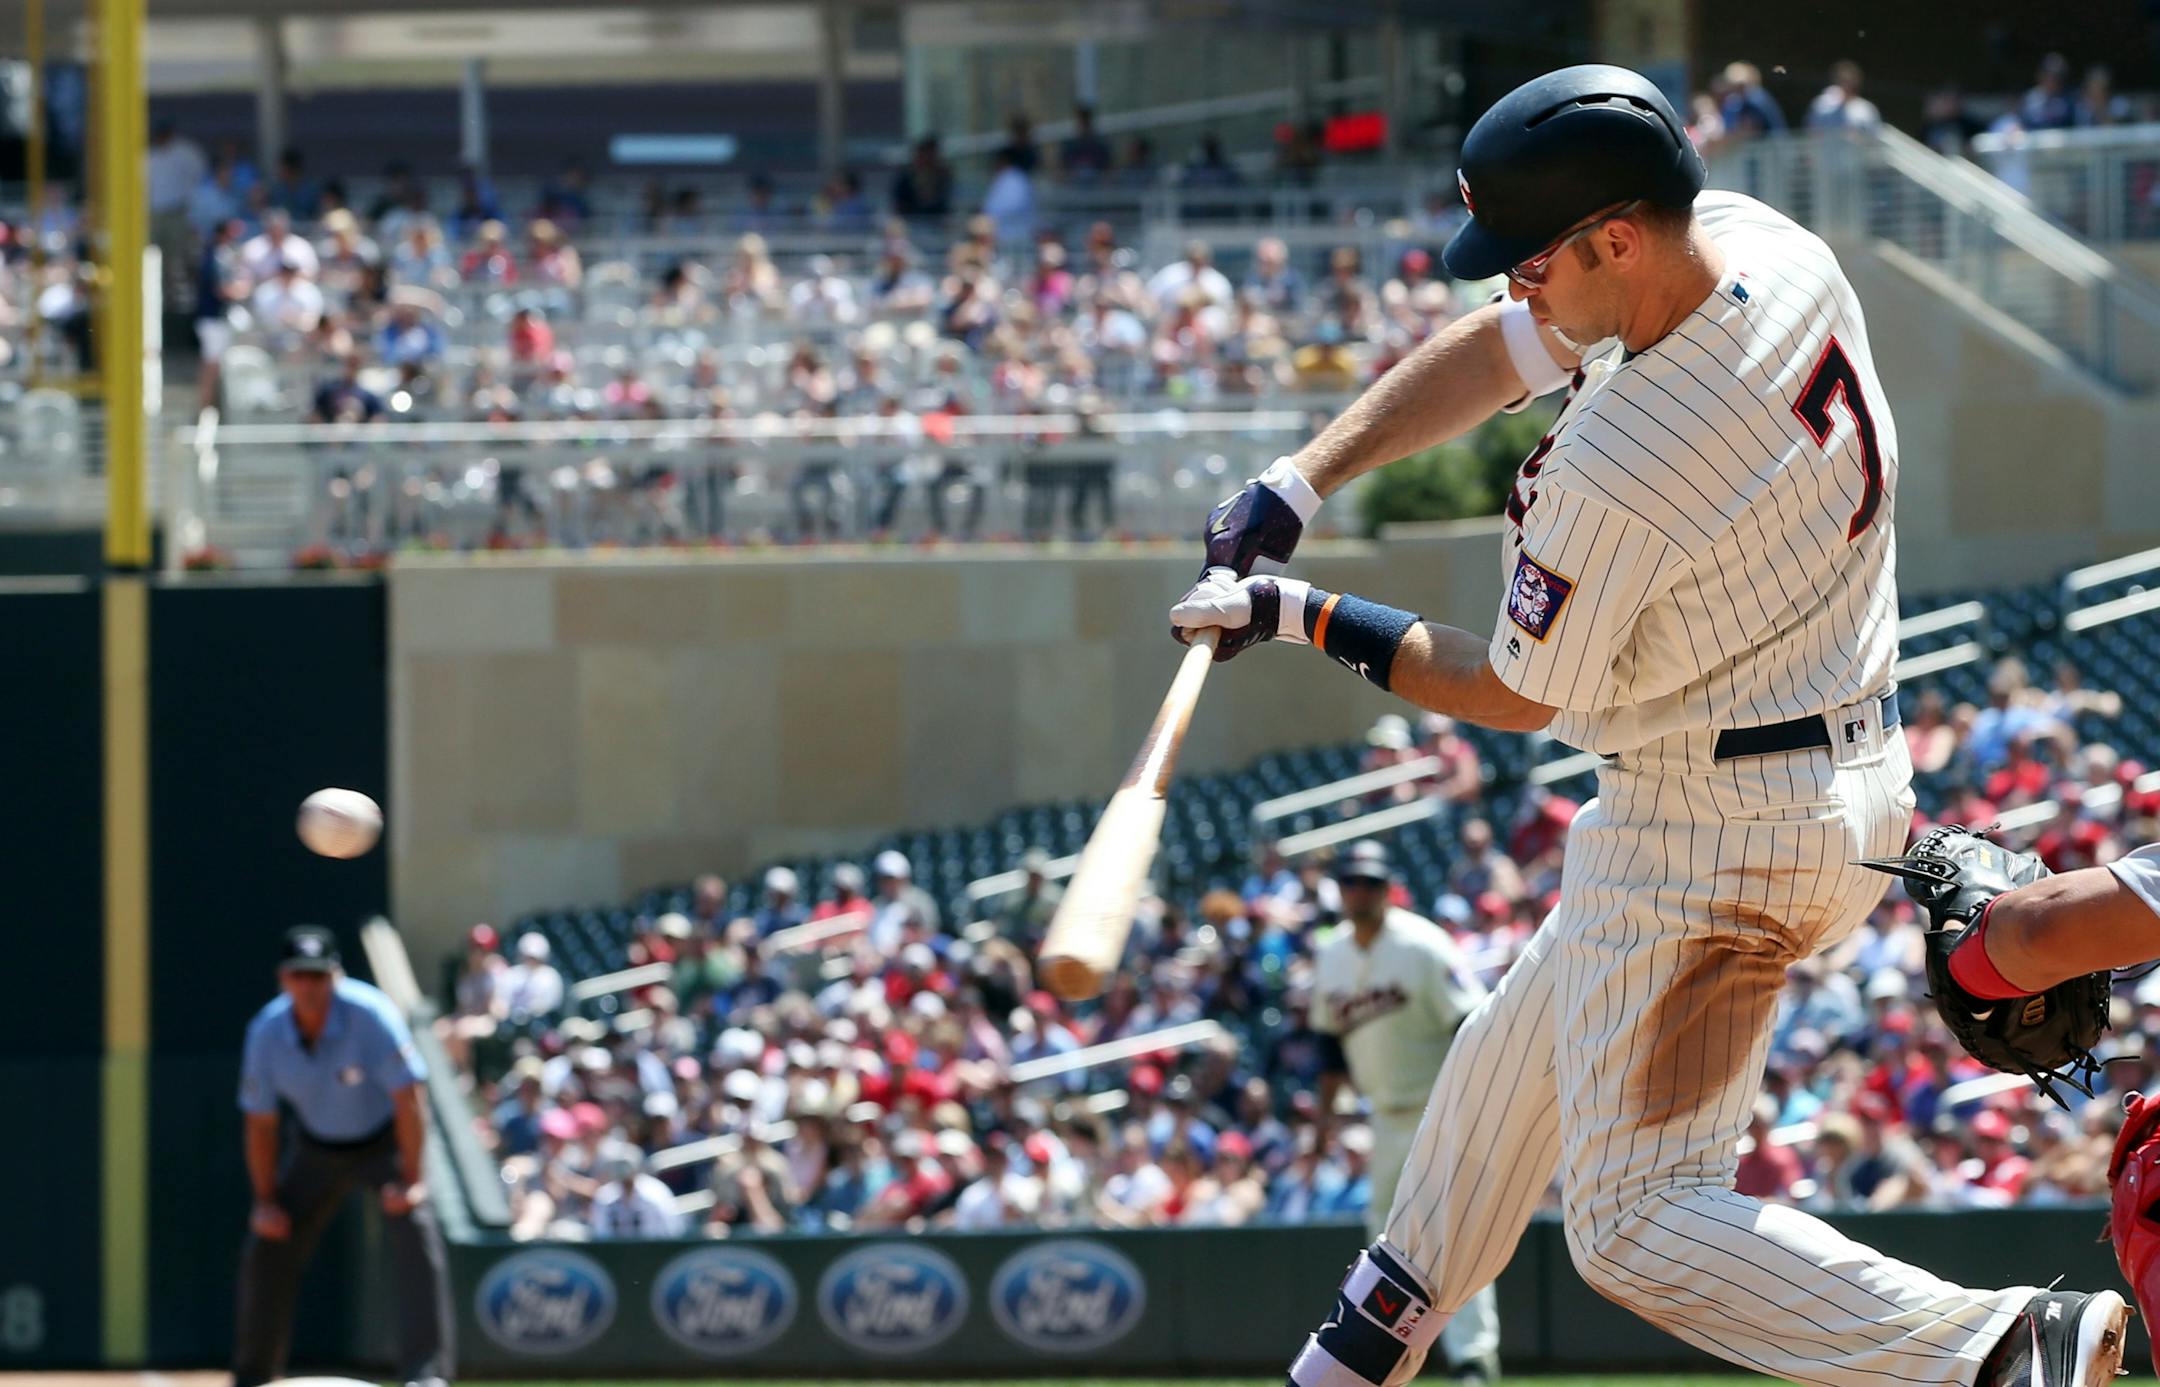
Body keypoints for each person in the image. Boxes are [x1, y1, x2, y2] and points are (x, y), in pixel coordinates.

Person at [1166, 62, 2128, 1387]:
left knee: (1630, 1222)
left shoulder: (1625, 453)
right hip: (1835, 784)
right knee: (1513, 1060)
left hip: (1712, 828)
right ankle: (1359, 1346)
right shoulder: (1762, 244)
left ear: (1615, 236)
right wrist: (1302, 474)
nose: (1511, 284)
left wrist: (1301, 612)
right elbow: (1512, 352)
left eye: (1530, 258)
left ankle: (2000, 1343)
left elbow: (1514, 694)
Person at [1309, 840, 1499, 1383]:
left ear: (1388, 887)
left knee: (1458, 1233)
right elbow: (1327, 1050)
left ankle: (1473, 1359)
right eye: (1351, 882)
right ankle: (1385, 1357)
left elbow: (1471, 1026)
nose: (1360, 891)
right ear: (1339, 891)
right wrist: (1325, 1123)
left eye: (1370, 882)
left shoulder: (1424, 945)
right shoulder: (1332, 955)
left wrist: (1475, 1104)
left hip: (1443, 1109)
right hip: (1384, 1118)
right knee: (1386, 1246)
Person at [231, 927, 453, 1387]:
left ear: (336, 975)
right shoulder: (265, 1033)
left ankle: (427, 1376)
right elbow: (261, 1125)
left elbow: (409, 1099)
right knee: (267, 1244)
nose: (309, 987)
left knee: (418, 1231)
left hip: (384, 1142)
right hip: (314, 1148)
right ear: (283, 980)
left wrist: (412, 1179)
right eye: (299, 976)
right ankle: (253, 1378)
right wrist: (266, 1200)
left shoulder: (372, 1014)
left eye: (318, 976)